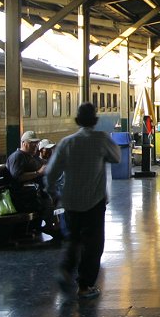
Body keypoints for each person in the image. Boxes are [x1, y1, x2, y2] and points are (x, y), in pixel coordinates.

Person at [45, 102, 121, 300]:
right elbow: (117, 157)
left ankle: (65, 270)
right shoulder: (101, 139)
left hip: (70, 201)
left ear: (77, 121)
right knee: (94, 244)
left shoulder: (66, 142)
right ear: (95, 121)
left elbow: (51, 172)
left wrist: (51, 191)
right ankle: (85, 286)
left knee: (73, 239)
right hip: (94, 202)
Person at [7, 130, 61, 240]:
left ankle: (52, 227)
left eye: (36, 143)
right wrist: (38, 173)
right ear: (23, 143)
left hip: (33, 193)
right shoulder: (18, 157)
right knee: (48, 200)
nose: (35, 146)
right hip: (22, 196)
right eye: (32, 143)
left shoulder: (32, 157)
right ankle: (53, 228)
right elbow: (17, 177)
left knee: (56, 196)